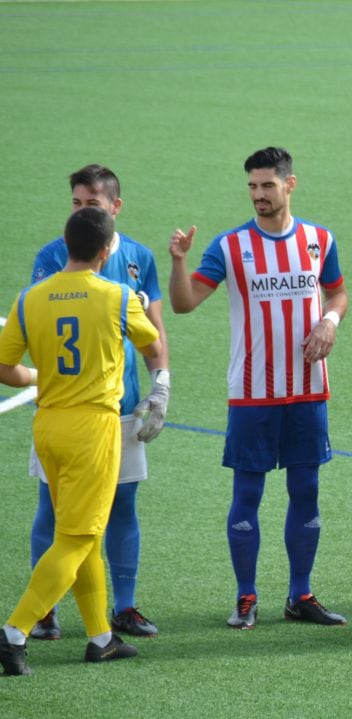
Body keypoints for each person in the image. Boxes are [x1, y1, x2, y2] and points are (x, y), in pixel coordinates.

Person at [168, 147, 349, 629]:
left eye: (267, 185)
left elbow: (338, 291)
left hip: (308, 390)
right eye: (252, 186)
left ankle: (300, 594)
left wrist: (330, 321)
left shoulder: (318, 239)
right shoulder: (229, 247)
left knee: (305, 491)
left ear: (290, 185)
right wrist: (179, 263)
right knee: (246, 494)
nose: (259, 195)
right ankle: (246, 597)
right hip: (251, 394)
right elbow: (184, 304)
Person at [0, 206, 161, 676]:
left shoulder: (31, 297)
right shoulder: (116, 296)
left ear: (65, 245)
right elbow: (150, 341)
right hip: (94, 428)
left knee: (81, 530)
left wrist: (37, 373)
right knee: (76, 536)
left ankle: (100, 637)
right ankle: (13, 632)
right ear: (107, 249)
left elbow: (6, 366)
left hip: (49, 424)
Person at [25, 164, 171, 642]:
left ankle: (117, 615)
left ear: (115, 206)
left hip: (120, 409)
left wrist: (160, 387)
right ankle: (37, 614)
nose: (82, 212)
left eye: (90, 204)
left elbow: (155, 332)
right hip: (81, 413)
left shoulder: (138, 258)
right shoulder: (54, 256)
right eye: (76, 204)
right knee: (57, 513)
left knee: (121, 506)